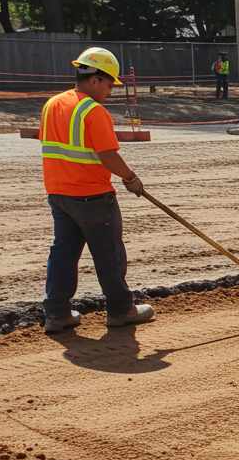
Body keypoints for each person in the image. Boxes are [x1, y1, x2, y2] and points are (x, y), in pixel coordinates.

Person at [40, 47, 154, 334]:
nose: (110, 91)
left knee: (63, 254)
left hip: (58, 193)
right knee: (109, 255)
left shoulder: (52, 104)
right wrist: (130, 177)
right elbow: (107, 155)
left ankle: (57, 314)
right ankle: (121, 310)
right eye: (109, 84)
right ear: (95, 79)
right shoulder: (93, 111)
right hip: (92, 196)